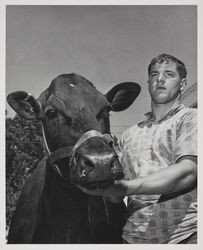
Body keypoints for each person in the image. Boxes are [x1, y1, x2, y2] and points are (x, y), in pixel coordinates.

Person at [78, 53, 197, 244]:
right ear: (148, 82)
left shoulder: (191, 118)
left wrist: (126, 187)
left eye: (169, 74)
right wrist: (102, 181)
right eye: (154, 74)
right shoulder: (130, 134)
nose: (160, 79)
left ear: (182, 84)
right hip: (133, 238)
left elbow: (188, 172)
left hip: (185, 235)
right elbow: (116, 197)